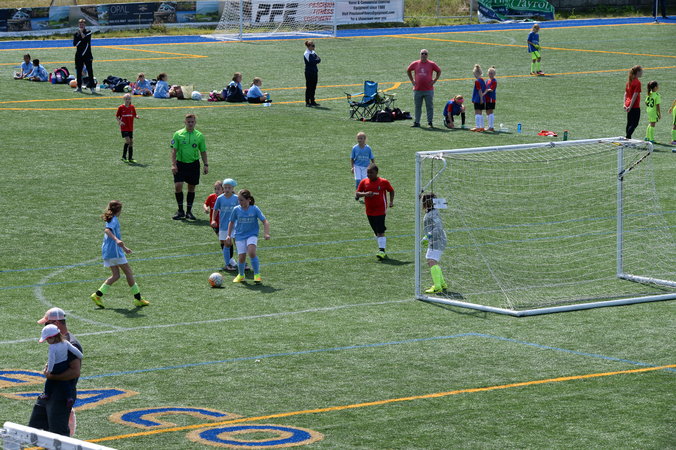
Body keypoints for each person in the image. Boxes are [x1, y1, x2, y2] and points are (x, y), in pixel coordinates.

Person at [90, 200, 149, 308]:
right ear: (118, 210)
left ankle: (97, 295)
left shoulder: (111, 218)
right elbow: (107, 230)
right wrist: (116, 240)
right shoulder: (114, 220)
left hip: (108, 251)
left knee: (116, 275)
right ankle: (138, 299)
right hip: (114, 251)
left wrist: (124, 248)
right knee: (128, 272)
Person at [28, 321, 83, 437]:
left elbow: (75, 372)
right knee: (36, 426)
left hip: (59, 396)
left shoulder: (68, 343)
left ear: (56, 323)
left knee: (58, 433)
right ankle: (64, 396)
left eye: (47, 323)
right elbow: (78, 354)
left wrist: (50, 373)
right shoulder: (65, 342)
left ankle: (52, 394)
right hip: (57, 392)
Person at [225, 189, 270, 284]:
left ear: (248, 199)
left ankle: (257, 275)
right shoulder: (236, 209)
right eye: (239, 200)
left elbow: (265, 221)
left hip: (252, 234)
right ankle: (241, 275)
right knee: (241, 257)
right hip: (239, 236)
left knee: (252, 252)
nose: (240, 202)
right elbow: (231, 222)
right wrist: (228, 235)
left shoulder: (255, 209)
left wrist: (266, 233)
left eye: (242, 200)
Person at [171, 113, 209, 220]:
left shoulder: (199, 135)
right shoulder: (178, 134)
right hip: (180, 164)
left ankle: (188, 212)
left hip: (193, 165)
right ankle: (180, 211)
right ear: (185, 122)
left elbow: (203, 151)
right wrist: (173, 164)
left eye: (192, 122)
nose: (190, 124)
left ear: (195, 122)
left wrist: (206, 164)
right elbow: (174, 150)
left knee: (191, 187)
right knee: (178, 186)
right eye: (188, 122)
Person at [356, 164, 394, 260]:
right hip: (369, 211)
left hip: (380, 210)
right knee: (376, 232)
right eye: (368, 173)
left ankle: (382, 250)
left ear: (376, 173)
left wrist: (391, 202)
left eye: (371, 173)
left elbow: (391, 190)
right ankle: (381, 245)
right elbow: (357, 194)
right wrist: (365, 194)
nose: (369, 174)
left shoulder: (383, 182)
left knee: (380, 231)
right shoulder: (364, 182)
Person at [407, 49, 441, 128]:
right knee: (417, 107)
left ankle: (430, 122)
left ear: (427, 55)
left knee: (429, 106)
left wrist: (434, 80)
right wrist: (412, 80)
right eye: (422, 53)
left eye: (425, 54)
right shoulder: (415, 63)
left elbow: (439, 71)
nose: (424, 55)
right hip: (417, 89)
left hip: (428, 90)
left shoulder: (431, 64)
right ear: (420, 54)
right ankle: (417, 122)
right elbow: (408, 70)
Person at [421, 193, 448, 294]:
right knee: (430, 259)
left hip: (437, 240)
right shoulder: (431, 211)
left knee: (431, 261)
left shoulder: (433, 214)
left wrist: (428, 236)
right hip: (435, 239)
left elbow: (438, 228)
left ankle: (437, 286)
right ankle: (442, 283)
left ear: (427, 202)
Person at [212, 179, 240, 271]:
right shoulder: (220, 198)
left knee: (238, 244)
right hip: (224, 225)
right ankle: (227, 264)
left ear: (233, 188)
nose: (227, 189)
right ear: (223, 188)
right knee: (226, 244)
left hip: (235, 225)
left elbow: (240, 210)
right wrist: (213, 220)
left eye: (229, 188)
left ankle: (242, 262)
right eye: (225, 188)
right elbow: (215, 209)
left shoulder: (236, 198)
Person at [350, 132, 375, 199]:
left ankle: (365, 194)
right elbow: (352, 158)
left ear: (365, 139)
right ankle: (357, 193)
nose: (359, 140)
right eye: (358, 138)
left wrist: (373, 166)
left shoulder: (368, 148)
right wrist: (352, 167)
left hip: (366, 167)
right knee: (358, 180)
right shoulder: (355, 148)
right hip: (357, 166)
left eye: (361, 138)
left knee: (365, 182)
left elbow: (372, 158)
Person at [73, 18, 95, 93]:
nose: (81, 26)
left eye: (82, 24)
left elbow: (85, 39)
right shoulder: (76, 33)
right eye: (80, 24)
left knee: (90, 71)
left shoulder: (88, 32)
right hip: (79, 55)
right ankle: (79, 87)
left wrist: (81, 37)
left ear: (85, 25)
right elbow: (75, 44)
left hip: (87, 55)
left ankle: (92, 87)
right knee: (79, 71)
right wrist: (82, 40)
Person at [116, 93, 140, 163]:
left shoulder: (132, 107)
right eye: (126, 99)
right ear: (124, 99)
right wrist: (120, 122)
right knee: (128, 141)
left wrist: (137, 116)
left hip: (130, 127)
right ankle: (123, 157)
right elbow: (117, 116)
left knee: (131, 142)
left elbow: (134, 114)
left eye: (129, 99)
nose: (127, 100)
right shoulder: (121, 107)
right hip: (124, 127)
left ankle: (130, 158)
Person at [624, 65, 643, 139]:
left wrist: (625, 104)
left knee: (629, 123)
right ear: (637, 72)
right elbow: (635, 95)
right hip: (634, 106)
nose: (642, 73)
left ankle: (628, 138)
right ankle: (628, 137)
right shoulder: (637, 82)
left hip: (628, 104)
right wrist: (630, 106)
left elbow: (625, 93)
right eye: (641, 71)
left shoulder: (629, 81)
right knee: (635, 123)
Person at [304, 40, 321, 107]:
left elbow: (319, 59)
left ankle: (312, 101)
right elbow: (312, 62)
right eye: (313, 46)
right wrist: (316, 60)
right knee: (309, 87)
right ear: (309, 46)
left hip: (314, 71)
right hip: (309, 72)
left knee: (314, 87)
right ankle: (307, 102)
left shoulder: (313, 52)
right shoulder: (307, 53)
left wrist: (316, 60)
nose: (314, 47)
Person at [470, 64, 486, 132]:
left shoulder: (477, 81)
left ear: (476, 73)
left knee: (477, 113)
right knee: (480, 113)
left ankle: (477, 127)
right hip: (482, 99)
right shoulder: (482, 80)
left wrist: (481, 99)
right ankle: (482, 127)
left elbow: (479, 90)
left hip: (478, 99)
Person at [484, 66, 498, 132]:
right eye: (489, 73)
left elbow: (491, 89)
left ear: (494, 74)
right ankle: (489, 125)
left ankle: (491, 127)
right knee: (487, 111)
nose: (490, 74)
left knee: (490, 111)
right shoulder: (487, 80)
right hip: (486, 98)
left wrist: (485, 91)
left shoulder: (494, 81)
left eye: (492, 73)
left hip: (491, 98)